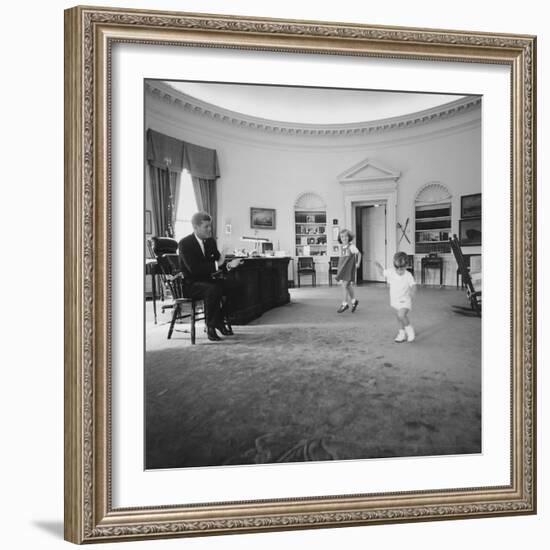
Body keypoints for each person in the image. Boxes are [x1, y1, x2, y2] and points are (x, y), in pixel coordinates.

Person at [178, 211, 243, 342]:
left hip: (208, 282)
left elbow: (219, 264)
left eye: (210, 226)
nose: (209, 229)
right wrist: (219, 263)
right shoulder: (185, 243)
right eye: (206, 227)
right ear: (195, 227)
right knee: (213, 289)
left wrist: (230, 265)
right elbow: (194, 269)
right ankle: (211, 325)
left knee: (235, 286)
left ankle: (219, 320)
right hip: (191, 284)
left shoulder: (210, 242)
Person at [375, 252, 416, 343]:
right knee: (398, 318)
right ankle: (401, 333)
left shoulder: (408, 275)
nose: (400, 271)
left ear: (406, 266)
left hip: (405, 300)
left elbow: (413, 285)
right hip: (395, 300)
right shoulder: (391, 272)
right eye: (398, 269)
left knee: (401, 315)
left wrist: (412, 292)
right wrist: (378, 266)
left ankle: (409, 330)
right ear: (394, 266)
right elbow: (382, 272)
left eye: (402, 269)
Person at [335, 229, 362, 313]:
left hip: (349, 269)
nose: (344, 238)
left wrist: (358, 263)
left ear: (349, 237)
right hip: (344, 269)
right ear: (340, 238)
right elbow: (342, 259)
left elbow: (359, 254)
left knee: (344, 285)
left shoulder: (351, 246)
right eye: (342, 236)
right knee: (348, 286)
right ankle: (354, 301)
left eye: (346, 236)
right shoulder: (341, 247)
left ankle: (344, 304)